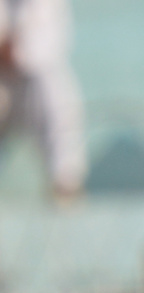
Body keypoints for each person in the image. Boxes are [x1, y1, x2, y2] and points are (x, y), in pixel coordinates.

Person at [0, 0, 87, 199]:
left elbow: (42, 42)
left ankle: (65, 190)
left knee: (57, 99)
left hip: (37, 72)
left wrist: (16, 48)